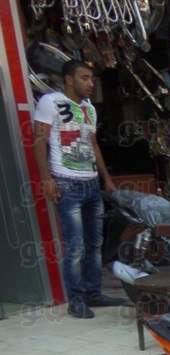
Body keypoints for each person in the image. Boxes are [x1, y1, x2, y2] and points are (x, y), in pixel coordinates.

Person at [32, 60, 122, 319]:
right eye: (84, 78)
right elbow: (39, 141)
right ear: (69, 80)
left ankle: (93, 292)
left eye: (91, 78)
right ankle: (76, 299)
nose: (91, 83)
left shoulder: (89, 108)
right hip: (66, 182)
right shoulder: (50, 102)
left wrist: (107, 179)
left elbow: (93, 145)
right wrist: (46, 179)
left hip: (91, 183)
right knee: (76, 246)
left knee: (95, 243)